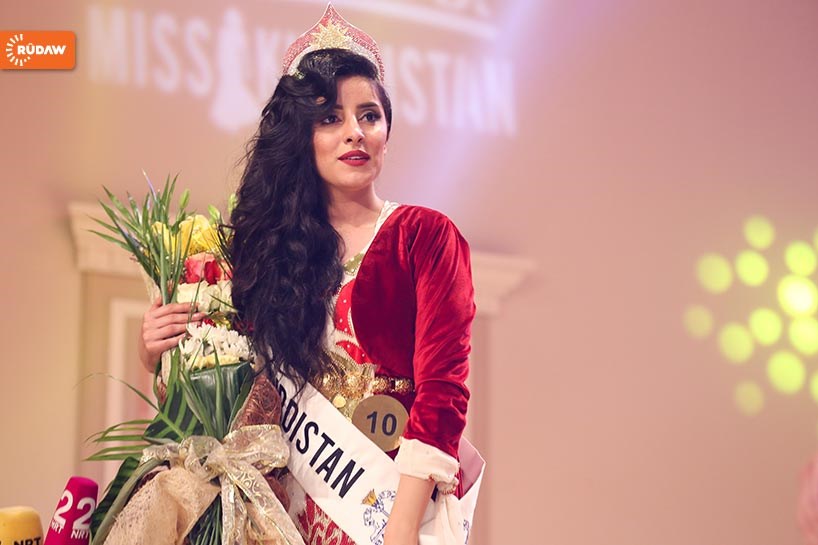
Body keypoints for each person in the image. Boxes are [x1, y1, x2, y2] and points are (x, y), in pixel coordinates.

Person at [138, 6, 479, 545]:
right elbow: (223, 389)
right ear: (300, 135)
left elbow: (444, 390)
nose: (355, 133)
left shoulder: (423, 235)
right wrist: (154, 352)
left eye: (369, 116)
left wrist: (401, 528)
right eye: (330, 119)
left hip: (387, 509)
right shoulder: (260, 253)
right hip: (275, 516)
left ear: (387, 132)